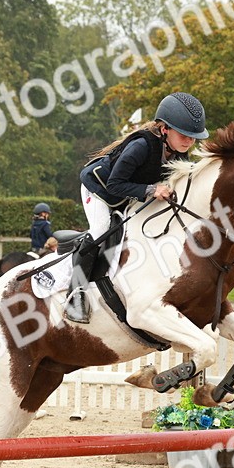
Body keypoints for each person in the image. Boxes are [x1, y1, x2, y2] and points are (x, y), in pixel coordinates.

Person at [67, 91, 208, 322]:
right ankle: (76, 292)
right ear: (165, 129)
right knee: (102, 229)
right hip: (99, 190)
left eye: (193, 137)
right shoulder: (141, 146)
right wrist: (152, 190)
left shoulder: (179, 154)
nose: (189, 141)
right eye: (184, 134)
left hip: (126, 194)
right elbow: (114, 184)